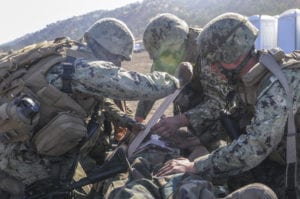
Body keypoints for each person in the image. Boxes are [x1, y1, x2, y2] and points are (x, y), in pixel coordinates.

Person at [0, 17, 182, 198]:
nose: (118, 64)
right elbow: (133, 86)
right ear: (105, 49)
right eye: (117, 58)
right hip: (22, 157)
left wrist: (126, 121)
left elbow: (102, 101)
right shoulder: (84, 68)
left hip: (21, 145)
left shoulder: (68, 56)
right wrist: (174, 81)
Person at [155, 12, 300, 198]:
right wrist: (198, 140)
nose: (213, 70)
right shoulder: (250, 81)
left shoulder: (276, 84)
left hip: (290, 167)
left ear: (233, 56)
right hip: (282, 159)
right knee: (232, 179)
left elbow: (254, 146)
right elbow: (237, 120)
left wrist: (194, 166)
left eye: (215, 62)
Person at [136, 13, 230, 157]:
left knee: (205, 147)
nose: (169, 58)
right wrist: (138, 122)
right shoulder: (164, 54)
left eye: (172, 52)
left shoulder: (206, 49)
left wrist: (180, 120)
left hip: (218, 102)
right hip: (189, 96)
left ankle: (208, 146)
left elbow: (219, 102)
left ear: (182, 41)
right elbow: (152, 88)